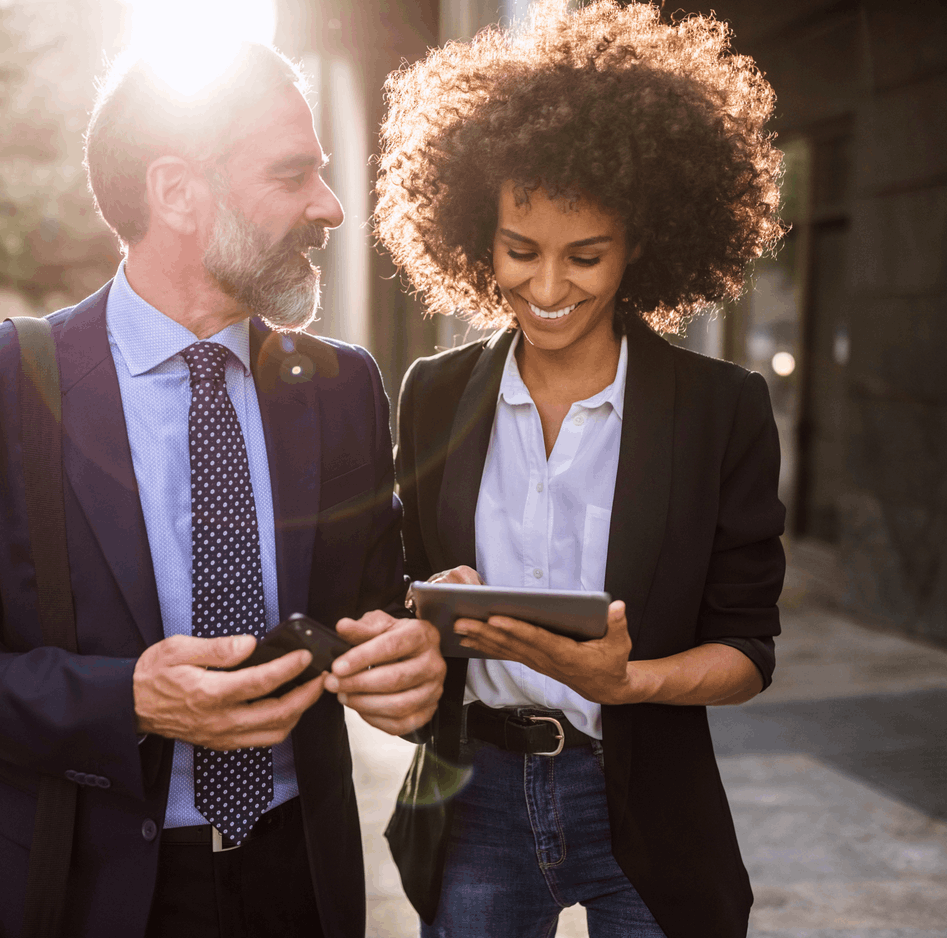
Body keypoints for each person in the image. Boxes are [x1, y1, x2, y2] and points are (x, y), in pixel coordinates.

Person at [0, 42, 445, 938]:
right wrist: (126, 699)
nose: (328, 207)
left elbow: (369, 607)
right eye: (293, 175)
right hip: (85, 895)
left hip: (301, 881)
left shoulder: (340, 386)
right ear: (177, 192)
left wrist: (408, 660)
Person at [373, 3, 786, 937]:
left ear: (641, 244)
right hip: (473, 793)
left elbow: (749, 651)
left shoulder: (721, 410)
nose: (549, 288)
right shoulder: (434, 393)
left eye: (585, 256)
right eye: (520, 251)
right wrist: (427, 604)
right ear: (477, 235)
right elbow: (400, 588)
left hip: (642, 797)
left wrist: (629, 682)